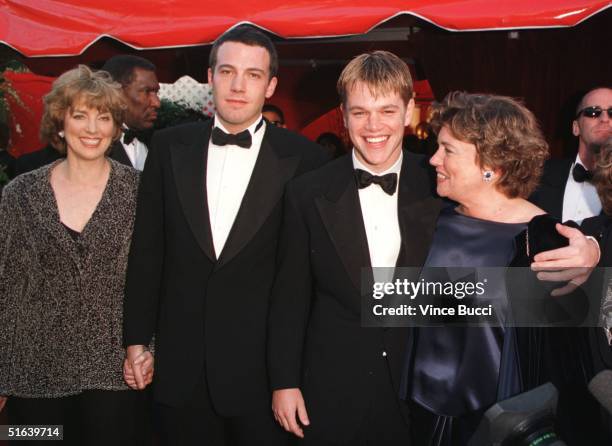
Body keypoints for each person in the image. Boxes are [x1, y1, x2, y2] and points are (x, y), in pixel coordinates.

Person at [122, 25, 327, 446]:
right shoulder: (167, 146)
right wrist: (136, 340)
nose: (238, 86)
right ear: (210, 76)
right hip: (180, 369)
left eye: (253, 75)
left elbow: (300, 279)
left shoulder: (304, 159)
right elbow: (148, 251)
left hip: (262, 376)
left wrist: (288, 376)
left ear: (270, 86)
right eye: (227, 71)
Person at [403, 92, 602, 445]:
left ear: (491, 165)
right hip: (421, 417)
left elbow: (569, 365)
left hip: (499, 426)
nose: (433, 159)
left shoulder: (545, 241)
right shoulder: (429, 221)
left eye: (448, 150)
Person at [0, 65, 148, 445]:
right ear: (60, 123)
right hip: (32, 379)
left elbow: (158, 279)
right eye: (80, 115)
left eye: (103, 117)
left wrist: (151, 350)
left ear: (116, 128)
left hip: (115, 377)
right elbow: (6, 288)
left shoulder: (142, 194)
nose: (92, 128)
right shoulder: (19, 195)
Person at [14, 55, 161, 174]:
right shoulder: (33, 171)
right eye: (80, 116)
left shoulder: (160, 143)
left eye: (103, 118)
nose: (156, 102)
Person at [530, 87, 612, 223]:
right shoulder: (538, 174)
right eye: (592, 112)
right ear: (576, 127)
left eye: (611, 113)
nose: (604, 119)